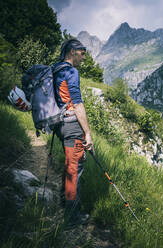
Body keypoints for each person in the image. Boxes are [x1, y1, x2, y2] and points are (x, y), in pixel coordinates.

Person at [53, 39, 93, 226]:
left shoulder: (55, 69)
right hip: (72, 126)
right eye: (82, 53)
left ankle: (64, 201)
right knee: (74, 169)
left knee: (70, 164)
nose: (84, 57)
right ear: (72, 52)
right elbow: (77, 104)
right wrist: (88, 133)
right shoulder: (71, 71)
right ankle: (72, 217)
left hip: (60, 125)